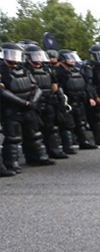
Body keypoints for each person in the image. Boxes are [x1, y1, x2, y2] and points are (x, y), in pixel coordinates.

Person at [1, 42, 56, 171]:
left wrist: (33, 101)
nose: (14, 58)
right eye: (11, 54)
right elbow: (3, 92)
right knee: (13, 138)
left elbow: (36, 87)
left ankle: (37, 157)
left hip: (28, 107)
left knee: (34, 134)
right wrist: (23, 103)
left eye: (16, 54)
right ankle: (11, 163)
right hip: (11, 109)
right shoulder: (2, 71)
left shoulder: (24, 69)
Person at [22, 42, 69, 159]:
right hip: (34, 103)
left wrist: (56, 96)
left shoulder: (47, 69)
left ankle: (53, 150)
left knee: (51, 128)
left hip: (48, 101)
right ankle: (33, 156)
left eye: (39, 55)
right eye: (35, 55)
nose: (38, 57)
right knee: (34, 131)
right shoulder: (25, 69)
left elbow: (54, 83)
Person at [55, 50, 98, 150]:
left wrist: (90, 97)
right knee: (67, 125)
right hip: (67, 102)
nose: (73, 60)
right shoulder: (58, 72)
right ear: (62, 59)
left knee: (81, 123)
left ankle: (84, 142)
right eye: (69, 58)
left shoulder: (77, 71)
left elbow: (86, 85)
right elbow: (57, 88)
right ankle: (68, 146)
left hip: (79, 101)